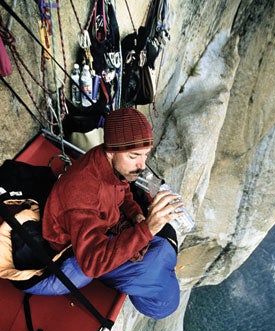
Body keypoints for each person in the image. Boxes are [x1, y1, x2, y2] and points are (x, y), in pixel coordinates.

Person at [27, 108, 183, 319]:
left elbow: (123, 191)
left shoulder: (109, 162)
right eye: (134, 155)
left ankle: (149, 279)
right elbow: (91, 264)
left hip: (98, 229)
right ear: (111, 151)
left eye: (145, 154)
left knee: (162, 246)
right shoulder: (83, 193)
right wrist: (147, 229)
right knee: (164, 302)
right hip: (71, 253)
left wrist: (136, 215)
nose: (142, 164)